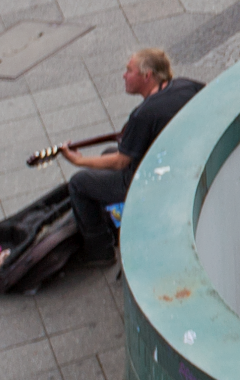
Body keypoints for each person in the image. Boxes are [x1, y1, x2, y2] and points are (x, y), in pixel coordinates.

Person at [56, 48, 203, 265]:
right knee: (106, 154)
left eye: (129, 71)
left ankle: (100, 252)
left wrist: (78, 160)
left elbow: (121, 161)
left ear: (147, 76)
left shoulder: (143, 114)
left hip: (150, 181)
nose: (124, 76)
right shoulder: (185, 85)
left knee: (79, 183)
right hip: (182, 163)